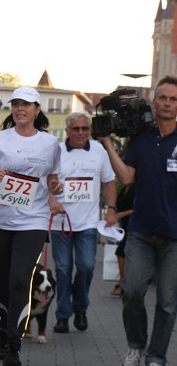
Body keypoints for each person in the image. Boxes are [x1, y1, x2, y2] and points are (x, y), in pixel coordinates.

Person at [0, 87, 63, 366]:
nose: (20, 109)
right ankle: (5, 328)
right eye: (16, 104)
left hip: (33, 220)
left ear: (37, 110)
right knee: (1, 283)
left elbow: (53, 177)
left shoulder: (50, 144)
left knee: (20, 279)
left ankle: (14, 345)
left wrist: (55, 188)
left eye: (26, 105)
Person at [102, 75, 177, 366]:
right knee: (132, 291)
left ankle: (157, 359)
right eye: (163, 98)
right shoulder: (141, 137)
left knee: (167, 301)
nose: (168, 104)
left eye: (174, 99)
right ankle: (136, 346)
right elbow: (127, 177)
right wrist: (107, 143)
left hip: (174, 236)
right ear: (153, 100)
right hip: (142, 231)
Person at [48, 113, 117, 334]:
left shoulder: (98, 150)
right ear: (67, 131)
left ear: (89, 130)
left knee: (86, 266)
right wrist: (51, 199)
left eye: (84, 129)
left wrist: (112, 210)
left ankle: (80, 308)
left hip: (88, 222)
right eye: (75, 129)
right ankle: (62, 316)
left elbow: (108, 181)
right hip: (61, 222)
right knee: (63, 269)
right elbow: (45, 181)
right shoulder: (56, 151)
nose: (80, 133)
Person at [110, 183, 134, 297]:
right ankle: (123, 281)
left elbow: (141, 207)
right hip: (124, 226)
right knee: (121, 252)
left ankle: (123, 282)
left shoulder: (138, 186)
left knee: (121, 251)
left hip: (134, 225)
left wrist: (122, 214)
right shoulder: (124, 188)